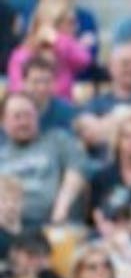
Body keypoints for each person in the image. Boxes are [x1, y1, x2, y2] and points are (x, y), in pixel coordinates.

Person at [0, 93, 86, 228]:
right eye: (17, 117)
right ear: (3, 122)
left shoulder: (57, 140)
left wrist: (61, 208)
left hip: (50, 223)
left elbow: (77, 171)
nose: (24, 122)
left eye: (28, 115)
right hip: (9, 225)